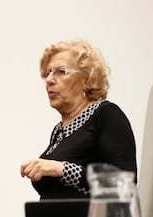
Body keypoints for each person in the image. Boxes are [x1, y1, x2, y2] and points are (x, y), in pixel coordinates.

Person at [20, 38, 137, 199]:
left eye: (61, 71)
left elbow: (123, 183)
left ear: (87, 80)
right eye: (48, 73)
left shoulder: (106, 114)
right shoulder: (58, 131)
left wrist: (62, 169)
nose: (49, 80)